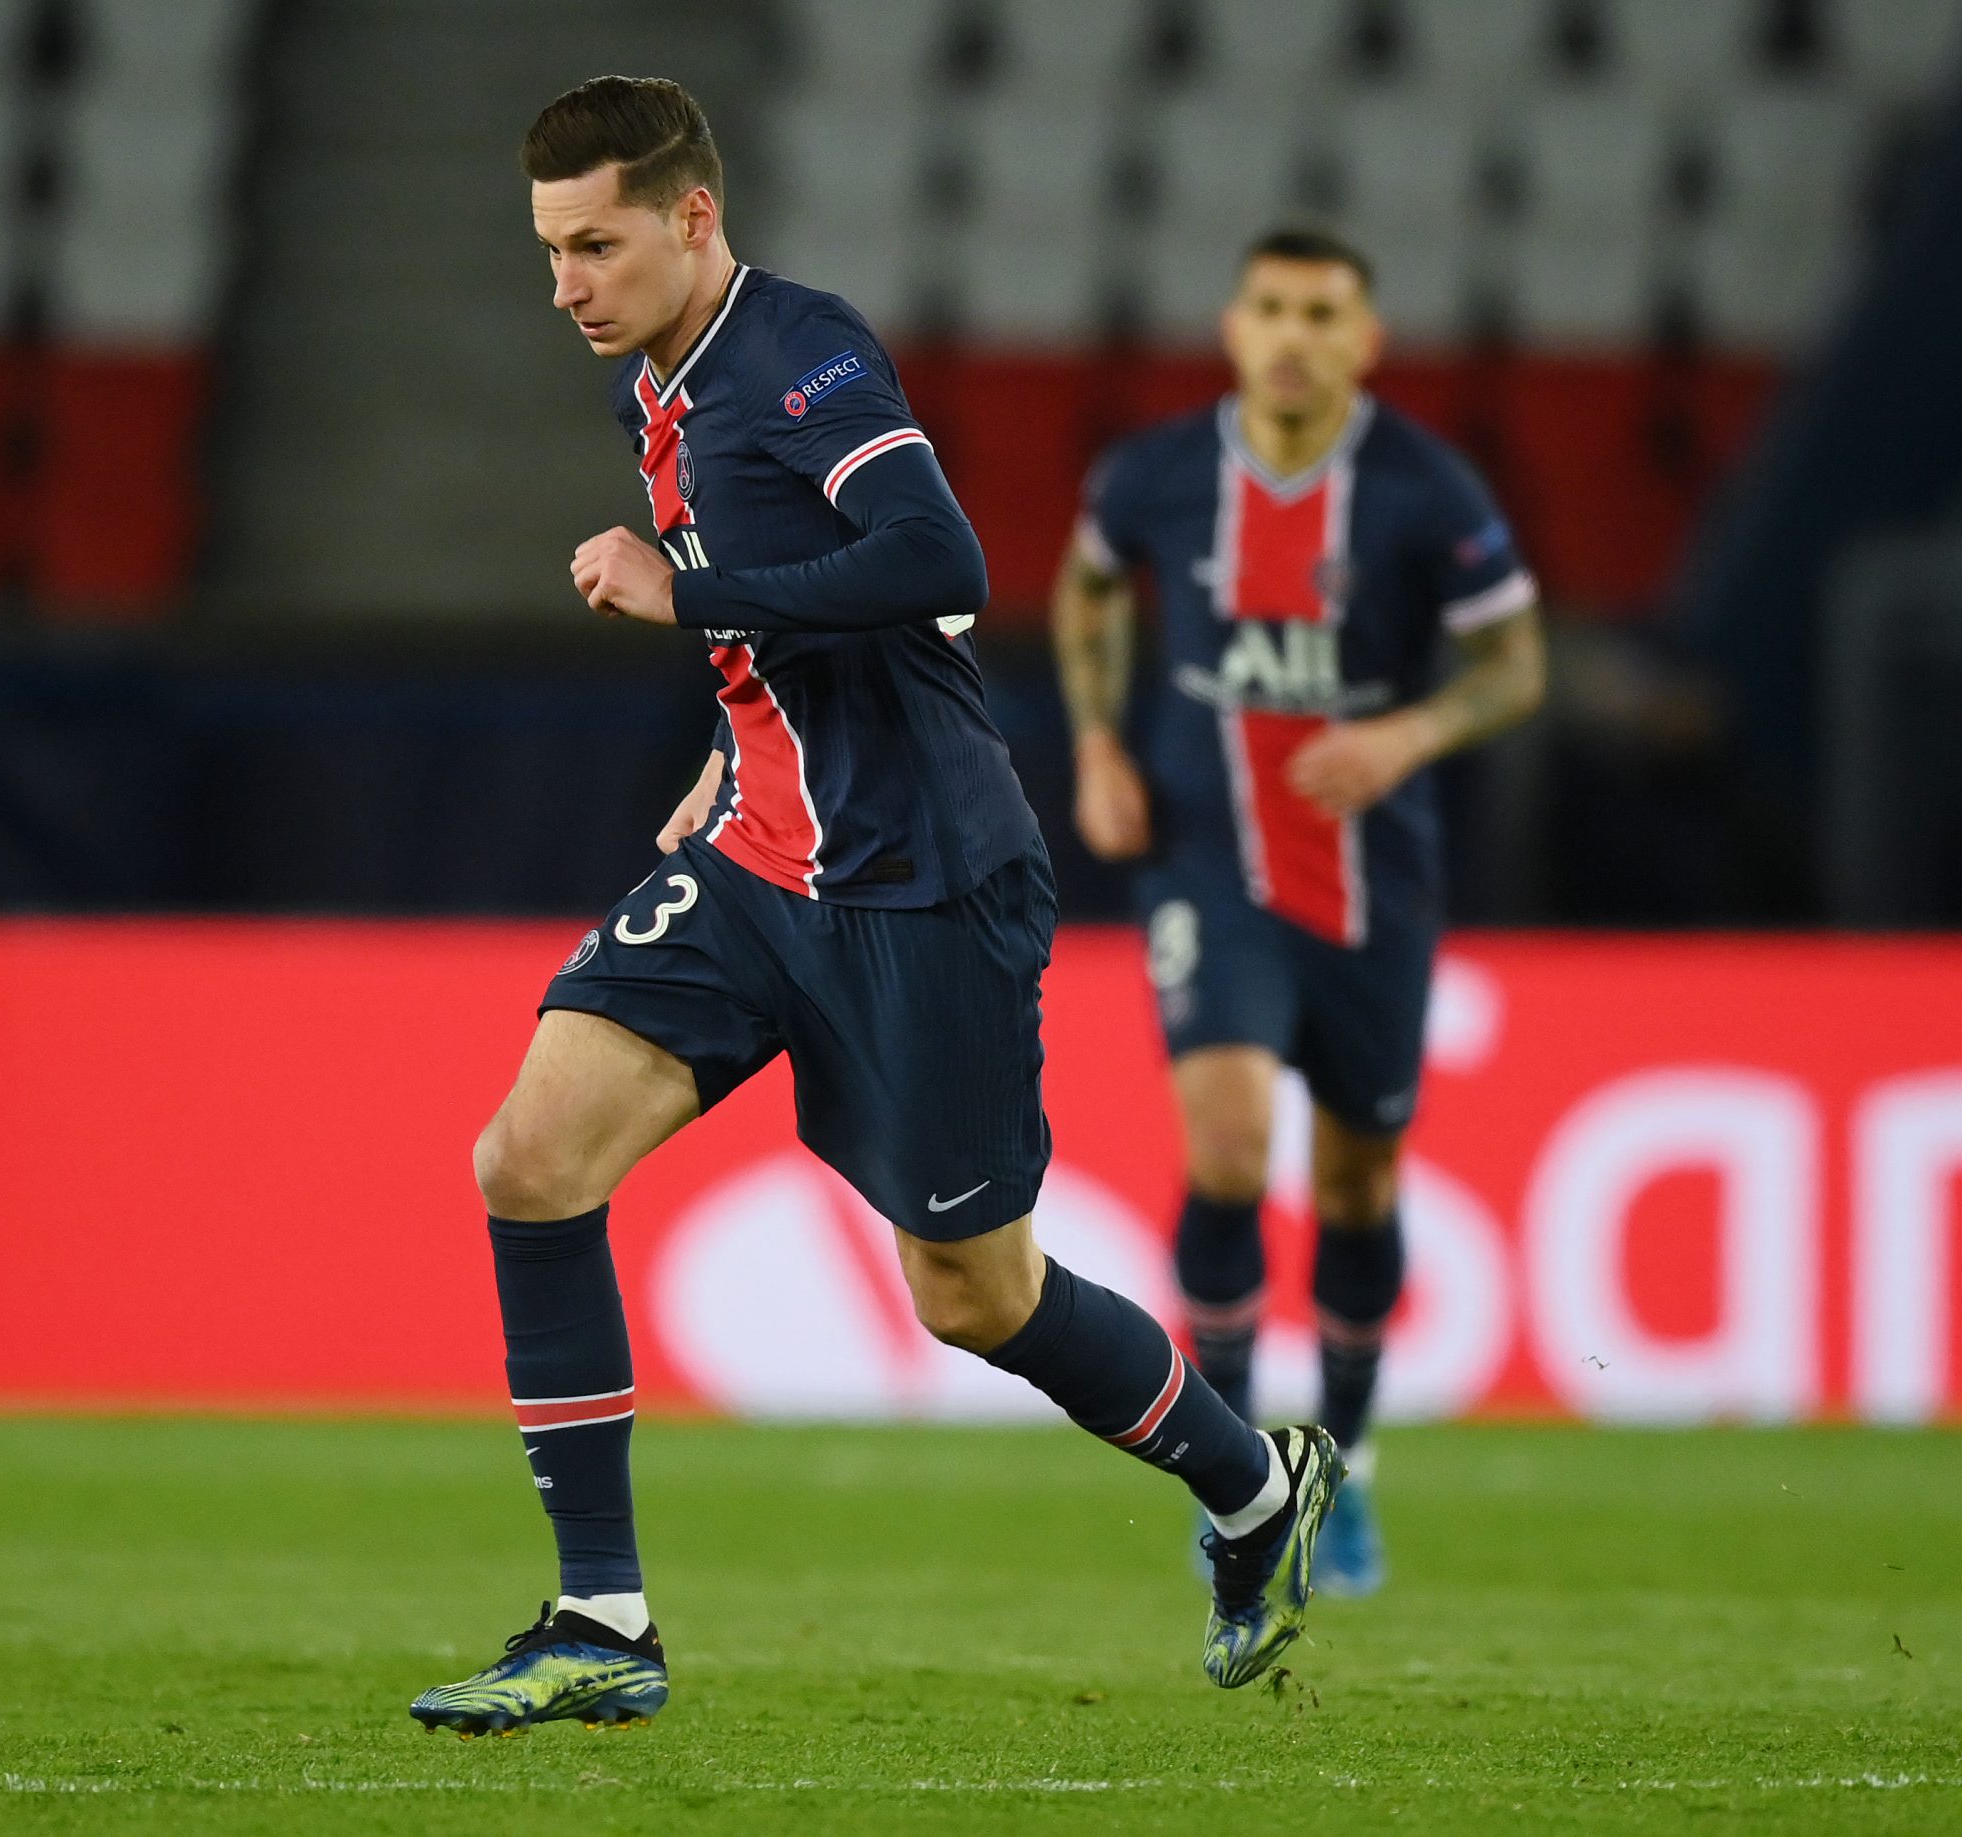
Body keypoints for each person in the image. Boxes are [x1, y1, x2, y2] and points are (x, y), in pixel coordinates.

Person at [409, 79, 1342, 1738]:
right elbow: (791, 620)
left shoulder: (802, 351)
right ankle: (602, 1619)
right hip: (759, 862)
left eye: (597, 245)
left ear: (695, 217)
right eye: (551, 251)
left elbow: (936, 560)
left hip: (924, 878)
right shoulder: (657, 382)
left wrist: (681, 591)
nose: (566, 285)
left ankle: (1253, 1490)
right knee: (528, 1161)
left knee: (975, 1293)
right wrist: (731, 735)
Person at [1050, 226, 1546, 1597]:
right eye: (1269, 307)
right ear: (1233, 324)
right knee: (1223, 1148)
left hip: (1372, 877)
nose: (1291, 335)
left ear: (1365, 341)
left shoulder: (1424, 490)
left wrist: (1408, 734)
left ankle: (1352, 1462)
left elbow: (1515, 662)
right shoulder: (1154, 475)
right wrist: (1094, 743)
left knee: (1355, 1181)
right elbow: (1086, 588)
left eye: (1322, 314)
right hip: (1207, 860)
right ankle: (1234, 1481)